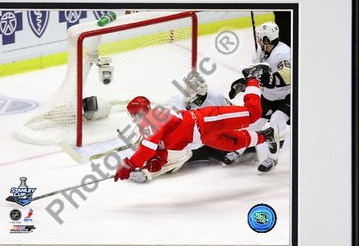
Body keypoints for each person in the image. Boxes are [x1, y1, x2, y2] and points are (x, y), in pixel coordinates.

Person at [114, 69, 280, 182]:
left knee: (252, 114)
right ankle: (266, 136)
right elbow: (160, 148)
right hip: (202, 136)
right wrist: (158, 160)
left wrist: (130, 163)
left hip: (205, 121)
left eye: (133, 114)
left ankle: (252, 78)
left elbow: (147, 149)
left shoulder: (153, 119)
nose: (133, 118)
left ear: (140, 112)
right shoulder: (149, 124)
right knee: (233, 143)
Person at [128, 71, 233, 183]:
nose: (188, 90)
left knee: (230, 148)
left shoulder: (216, 97)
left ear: (201, 88)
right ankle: (145, 167)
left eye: (191, 87)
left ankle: (147, 172)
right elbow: (164, 127)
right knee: (169, 150)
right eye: (187, 86)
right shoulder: (176, 100)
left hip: (210, 141)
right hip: (188, 142)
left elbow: (229, 115)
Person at [225, 21, 291, 172]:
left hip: (287, 96)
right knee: (251, 122)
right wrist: (243, 84)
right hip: (268, 96)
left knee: (276, 120)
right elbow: (255, 75)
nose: (258, 41)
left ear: (267, 39)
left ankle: (272, 160)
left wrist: (272, 79)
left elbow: (288, 75)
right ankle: (238, 150)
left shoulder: (283, 53)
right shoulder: (260, 53)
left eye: (261, 38)